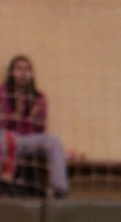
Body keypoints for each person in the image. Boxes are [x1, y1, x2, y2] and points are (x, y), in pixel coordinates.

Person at [0, 55, 69, 196]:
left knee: (54, 141)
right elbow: (3, 123)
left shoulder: (38, 97)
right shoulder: (3, 93)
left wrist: (33, 118)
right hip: (5, 139)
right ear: (12, 72)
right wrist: (17, 114)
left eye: (26, 69)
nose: (23, 73)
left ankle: (59, 189)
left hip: (27, 140)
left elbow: (40, 128)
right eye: (19, 69)